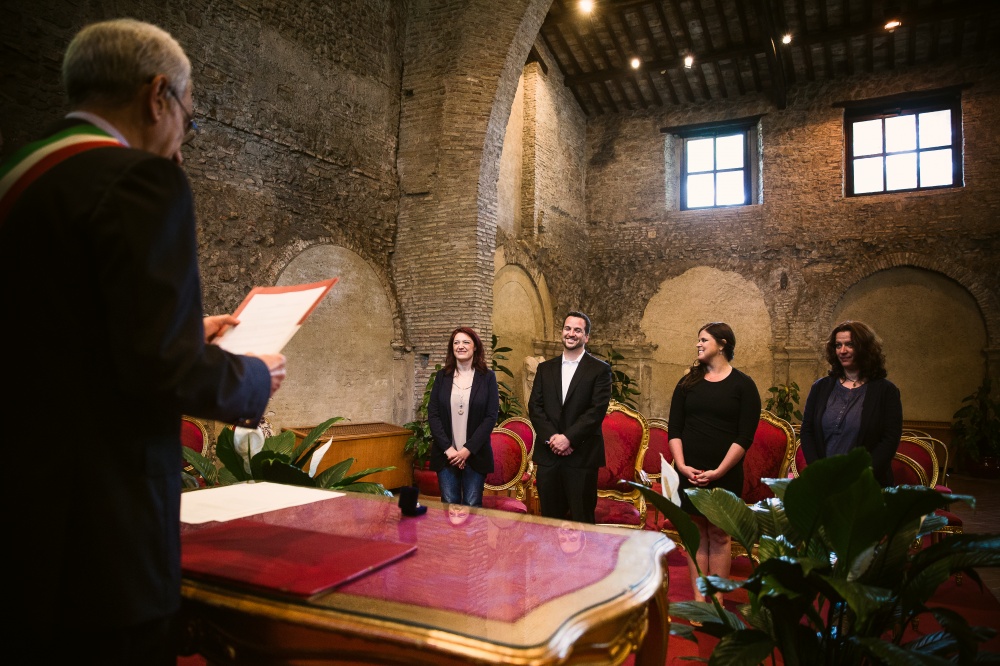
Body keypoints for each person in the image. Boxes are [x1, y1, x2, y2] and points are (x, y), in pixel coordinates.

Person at [0, 19, 287, 664]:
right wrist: (255, 378)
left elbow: (59, 337)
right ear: (157, 96)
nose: (182, 143)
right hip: (98, 541)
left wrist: (185, 328)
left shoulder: (22, 173)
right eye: (187, 114)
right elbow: (162, 369)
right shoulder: (136, 180)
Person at [668, 322, 760, 603]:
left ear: (722, 344)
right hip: (689, 470)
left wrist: (719, 471)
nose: (698, 344)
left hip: (725, 473)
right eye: (698, 340)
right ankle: (699, 600)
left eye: (704, 340)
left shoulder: (743, 386)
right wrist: (681, 466)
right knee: (696, 534)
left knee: (719, 535)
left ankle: (718, 601)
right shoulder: (687, 383)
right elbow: (674, 429)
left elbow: (745, 436)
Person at [529, 311, 613, 524]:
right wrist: (553, 438)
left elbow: (596, 411)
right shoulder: (544, 368)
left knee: (582, 521)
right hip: (549, 456)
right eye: (568, 328)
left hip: (581, 457)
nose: (571, 333)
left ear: (586, 337)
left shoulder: (600, 370)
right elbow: (535, 407)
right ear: (562, 333)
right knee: (549, 522)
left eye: (578, 330)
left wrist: (569, 438)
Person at [799, 320, 902, 487]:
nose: (842, 351)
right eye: (838, 345)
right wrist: (819, 470)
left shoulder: (886, 391)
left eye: (849, 344)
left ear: (865, 348)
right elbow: (807, 430)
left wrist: (859, 476)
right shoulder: (821, 387)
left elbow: (889, 440)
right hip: (824, 481)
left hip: (865, 483)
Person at [427, 327, 499, 507]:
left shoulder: (487, 377)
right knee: (449, 505)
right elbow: (433, 415)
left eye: (466, 342)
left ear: (475, 347)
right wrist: (449, 449)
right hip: (446, 456)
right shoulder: (442, 377)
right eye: (456, 342)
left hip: (475, 455)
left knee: (472, 505)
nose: (460, 346)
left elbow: (490, 417)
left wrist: (468, 449)